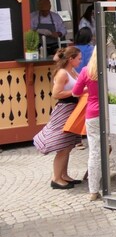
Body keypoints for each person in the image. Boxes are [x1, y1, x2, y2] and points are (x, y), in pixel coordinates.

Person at [73, 47, 116, 201]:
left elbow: (75, 92)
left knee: (95, 152)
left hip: (93, 114)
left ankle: (93, 190)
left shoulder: (86, 70)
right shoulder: (114, 69)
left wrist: (88, 89)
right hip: (114, 113)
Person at [32, 47, 83, 189]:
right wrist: (75, 91)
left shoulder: (72, 71)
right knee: (62, 146)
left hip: (72, 109)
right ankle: (56, 178)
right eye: (78, 58)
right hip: (64, 110)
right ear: (71, 59)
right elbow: (56, 93)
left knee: (68, 145)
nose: (80, 60)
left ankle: (64, 175)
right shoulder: (62, 73)